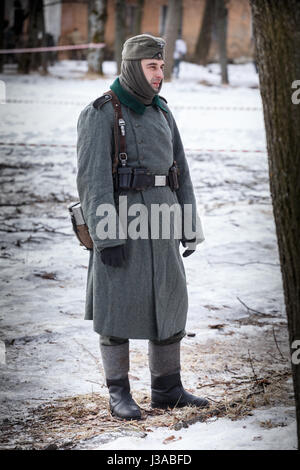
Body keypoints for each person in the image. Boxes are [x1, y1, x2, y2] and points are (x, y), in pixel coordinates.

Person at [76, 34, 209, 420]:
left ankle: (167, 388)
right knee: (116, 307)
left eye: (162, 67)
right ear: (133, 66)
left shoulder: (163, 112)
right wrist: (107, 237)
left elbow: (179, 171)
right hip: (122, 223)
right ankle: (119, 394)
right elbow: (92, 182)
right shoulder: (101, 112)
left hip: (163, 222)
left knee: (170, 303)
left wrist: (188, 223)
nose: (159, 75)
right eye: (152, 67)